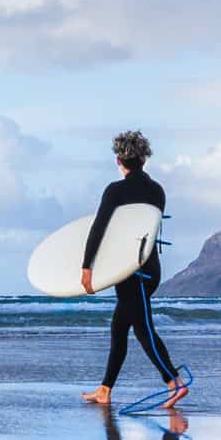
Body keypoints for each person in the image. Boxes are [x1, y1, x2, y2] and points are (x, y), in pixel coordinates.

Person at [79, 130, 188, 409]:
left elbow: (99, 229)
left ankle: (173, 381)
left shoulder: (116, 191)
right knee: (119, 328)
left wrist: (87, 267)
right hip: (150, 269)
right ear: (144, 159)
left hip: (132, 273)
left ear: (119, 160)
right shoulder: (157, 190)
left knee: (143, 329)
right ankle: (105, 389)